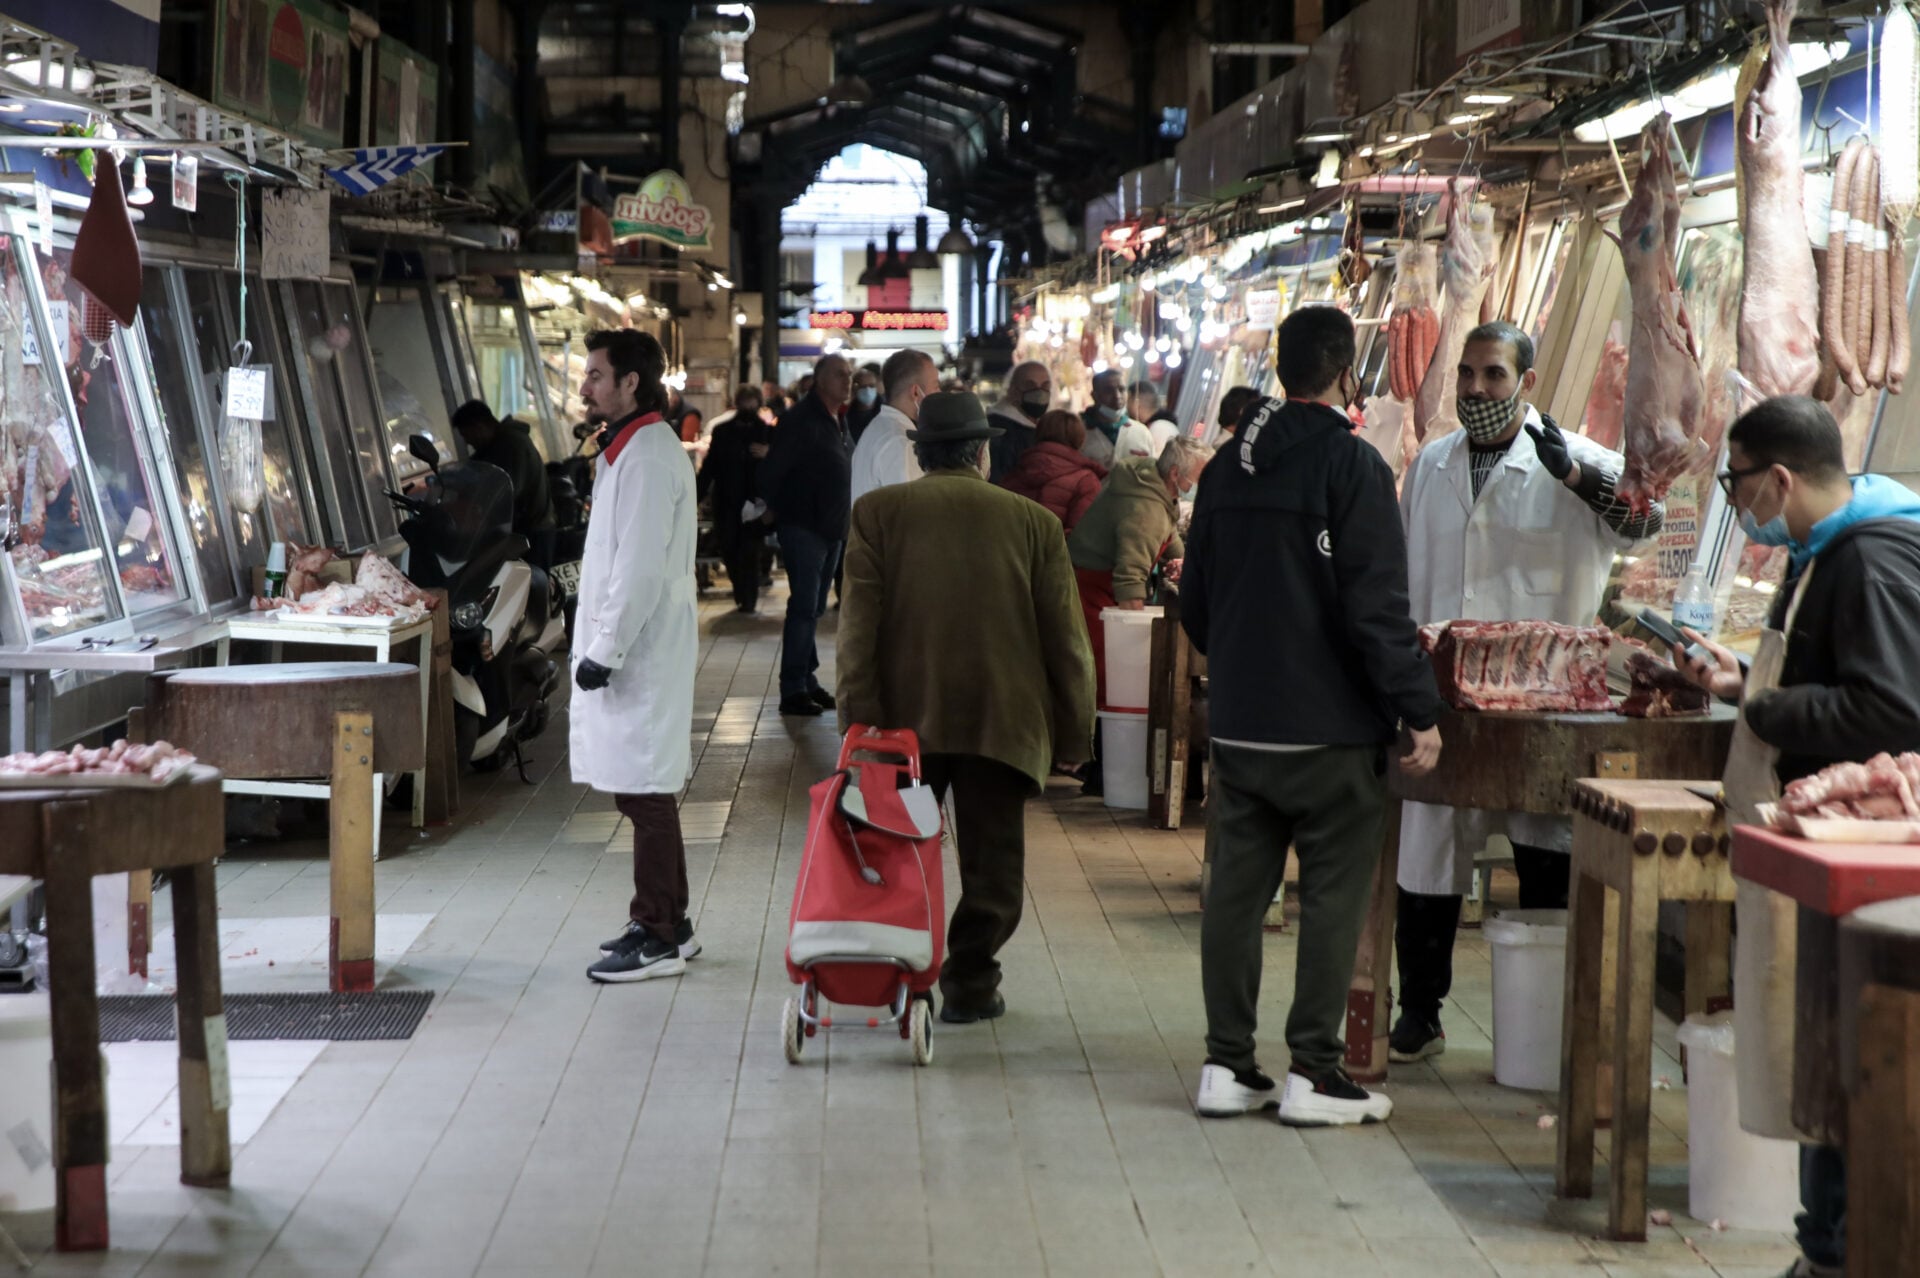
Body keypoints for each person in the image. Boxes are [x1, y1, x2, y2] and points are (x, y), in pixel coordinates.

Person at [1670, 395, 1920, 1278]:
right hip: (1812, 858)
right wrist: (1746, 676)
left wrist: (1759, 701)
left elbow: (1891, 708)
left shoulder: (1872, 560)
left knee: (1845, 1065)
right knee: (1819, 1062)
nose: (1735, 501)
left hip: (1860, 868)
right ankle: (1825, 1243)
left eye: (1737, 482)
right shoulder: (1823, 553)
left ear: (1779, 478)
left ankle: (1839, 1249)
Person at [1181, 303, 1443, 1125]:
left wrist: (1242, 668)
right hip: (1330, 731)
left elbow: (1194, 604)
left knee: (1237, 892)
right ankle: (1313, 1073)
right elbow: (1376, 608)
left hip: (1242, 722)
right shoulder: (1353, 468)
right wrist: (1418, 709)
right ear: (1343, 372)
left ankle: (1226, 1066)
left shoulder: (1226, 470)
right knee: (1332, 896)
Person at [1392, 320, 1665, 1063]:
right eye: (1469, 376)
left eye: (1495, 376)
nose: (1478, 389)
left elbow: (1649, 524)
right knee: (1428, 854)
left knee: (1546, 847)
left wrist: (1577, 478)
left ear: (1528, 383)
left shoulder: (1577, 459)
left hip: (1545, 695)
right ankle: (1420, 1011)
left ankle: (1551, 1018)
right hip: (1444, 694)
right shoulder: (1433, 465)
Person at [838, 391, 1097, 1023]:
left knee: (903, 856)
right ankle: (972, 983)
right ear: (982, 450)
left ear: (922, 455)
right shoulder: (1032, 523)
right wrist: (1075, 734)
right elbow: (1067, 641)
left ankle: (911, 977)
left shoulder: (878, 514)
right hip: (1001, 722)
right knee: (994, 868)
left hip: (902, 726)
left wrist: (858, 725)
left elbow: (856, 634)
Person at [571, 330, 701, 984]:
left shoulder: (648, 456)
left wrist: (606, 649)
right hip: (636, 644)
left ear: (630, 383)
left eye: (596, 374)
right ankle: (670, 921)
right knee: (641, 788)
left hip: (641, 649)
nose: (585, 385)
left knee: (646, 792)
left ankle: (657, 932)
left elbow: (641, 568)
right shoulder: (625, 449)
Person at [1066, 434, 1212, 793]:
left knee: (1109, 678)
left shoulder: (1155, 484)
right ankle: (1100, 768)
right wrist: (1132, 628)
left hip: (1100, 586)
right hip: (1093, 591)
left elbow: (1168, 533)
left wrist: (1182, 562)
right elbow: (1129, 574)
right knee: (1109, 680)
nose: (1199, 485)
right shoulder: (1144, 507)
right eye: (1197, 476)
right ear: (1175, 473)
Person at [760, 353, 853, 717]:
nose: (847, 382)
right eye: (839, 375)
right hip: (805, 527)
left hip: (831, 527)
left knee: (812, 609)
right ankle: (793, 688)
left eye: (849, 374)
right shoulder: (801, 420)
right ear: (818, 380)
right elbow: (774, 470)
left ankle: (808, 680)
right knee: (803, 608)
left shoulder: (834, 419)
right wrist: (774, 508)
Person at [451, 400, 557, 569]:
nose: (469, 442)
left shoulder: (510, 445)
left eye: (468, 435)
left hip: (532, 532)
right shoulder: (494, 446)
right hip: (521, 532)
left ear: (479, 425)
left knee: (533, 586)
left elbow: (505, 491)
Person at [698, 385, 771, 613]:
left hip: (754, 502)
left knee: (750, 551)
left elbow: (779, 466)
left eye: (753, 402)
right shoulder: (722, 431)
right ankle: (741, 591)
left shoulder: (766, 433)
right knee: (729, 549)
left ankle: (749, 597)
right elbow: (710, 467)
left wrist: (769, 453)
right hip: (726, 501)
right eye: (745, 402)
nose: (749, 407)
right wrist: (696, 495)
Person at [997, 409, 1107, 536]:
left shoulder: (1014, 474)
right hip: (1058, 554)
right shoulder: (1086, 481)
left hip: (1014, 554)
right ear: (1079, 439)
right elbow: (1081, 536)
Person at [850, 349, 938, 505]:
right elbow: (911, 514)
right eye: (935, 386)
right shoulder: (902, 443)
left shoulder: (877, 428)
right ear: (916, 392)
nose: (939, 393)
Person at [987, 360, 1052, 482]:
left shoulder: (1038, 429)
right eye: (1030, 386)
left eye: (1045, 386)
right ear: (1013, 391)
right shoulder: (1000, 431)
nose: (1039, 392)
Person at [1081, 369, 1127, 466]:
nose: (1117, 396)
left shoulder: (1141, 432)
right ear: (1094, 396)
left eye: (1122, 389)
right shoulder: (1077, 432)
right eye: (1108, 391)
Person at [847, 362, 883, 444]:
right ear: (854, 388)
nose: (867, 390)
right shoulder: (847, 415)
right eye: (863, 386)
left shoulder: (885, 412)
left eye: (871, 386)